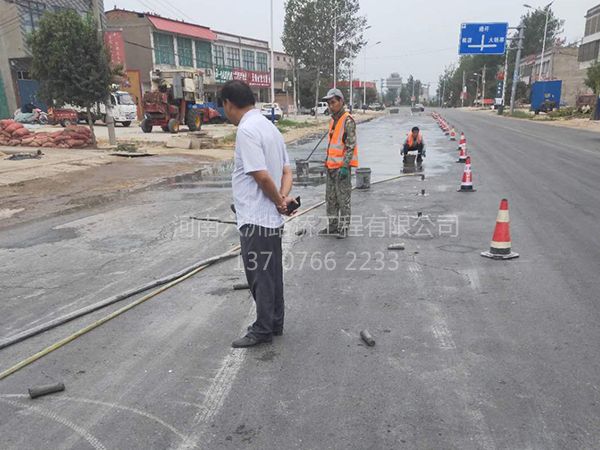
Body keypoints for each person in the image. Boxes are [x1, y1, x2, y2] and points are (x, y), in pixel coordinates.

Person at [220, 80, 296, 348]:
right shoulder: (270, 128)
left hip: (256, 219)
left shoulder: (247, 130)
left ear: (229, 104)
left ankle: (263, 328)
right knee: (272, 273)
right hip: (270, 220)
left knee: (260, 276)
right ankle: (275, 322)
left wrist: (278, 201)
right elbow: (287, 171)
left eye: (223, 107)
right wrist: (284, 200)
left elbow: (261, 176)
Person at [319, 88, 358, 239]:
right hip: (331, 167)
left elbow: (350, 146)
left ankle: (344, 228)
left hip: (342, 168)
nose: (330, 106)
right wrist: (327, 161)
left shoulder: (348, 121)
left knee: (343, 200)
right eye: (329, 103)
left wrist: (345, 166)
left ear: (341, 101)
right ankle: (333, 226)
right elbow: (332, 144)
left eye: (333, 102)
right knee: (331, 199)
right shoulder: (333, 120)